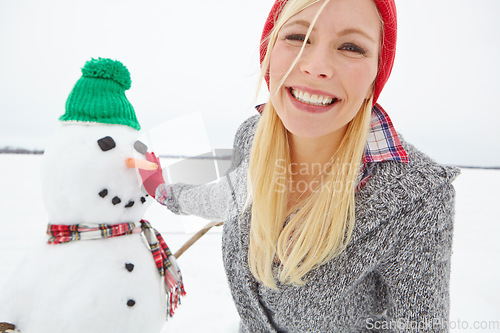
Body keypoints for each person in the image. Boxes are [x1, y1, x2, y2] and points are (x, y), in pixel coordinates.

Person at [139, 0, 460, 331]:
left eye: (351, 47)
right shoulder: (253, 135)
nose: (316, 66)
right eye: (297, 37)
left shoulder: (418, 196)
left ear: (376, 73)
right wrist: (163, 189)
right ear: (269, 52)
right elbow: (230, 196)